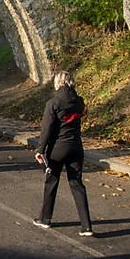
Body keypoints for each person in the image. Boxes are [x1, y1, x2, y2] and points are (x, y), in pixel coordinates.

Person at [33, 71, 94, 237]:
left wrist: (40, 150)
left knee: (51, 182)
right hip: (76, 146)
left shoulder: (53, 103)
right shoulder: (79, 102)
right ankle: (87, 226)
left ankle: (45, 219)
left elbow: (47, 130)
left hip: (58, 148)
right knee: (77, 184)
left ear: (57, 83)